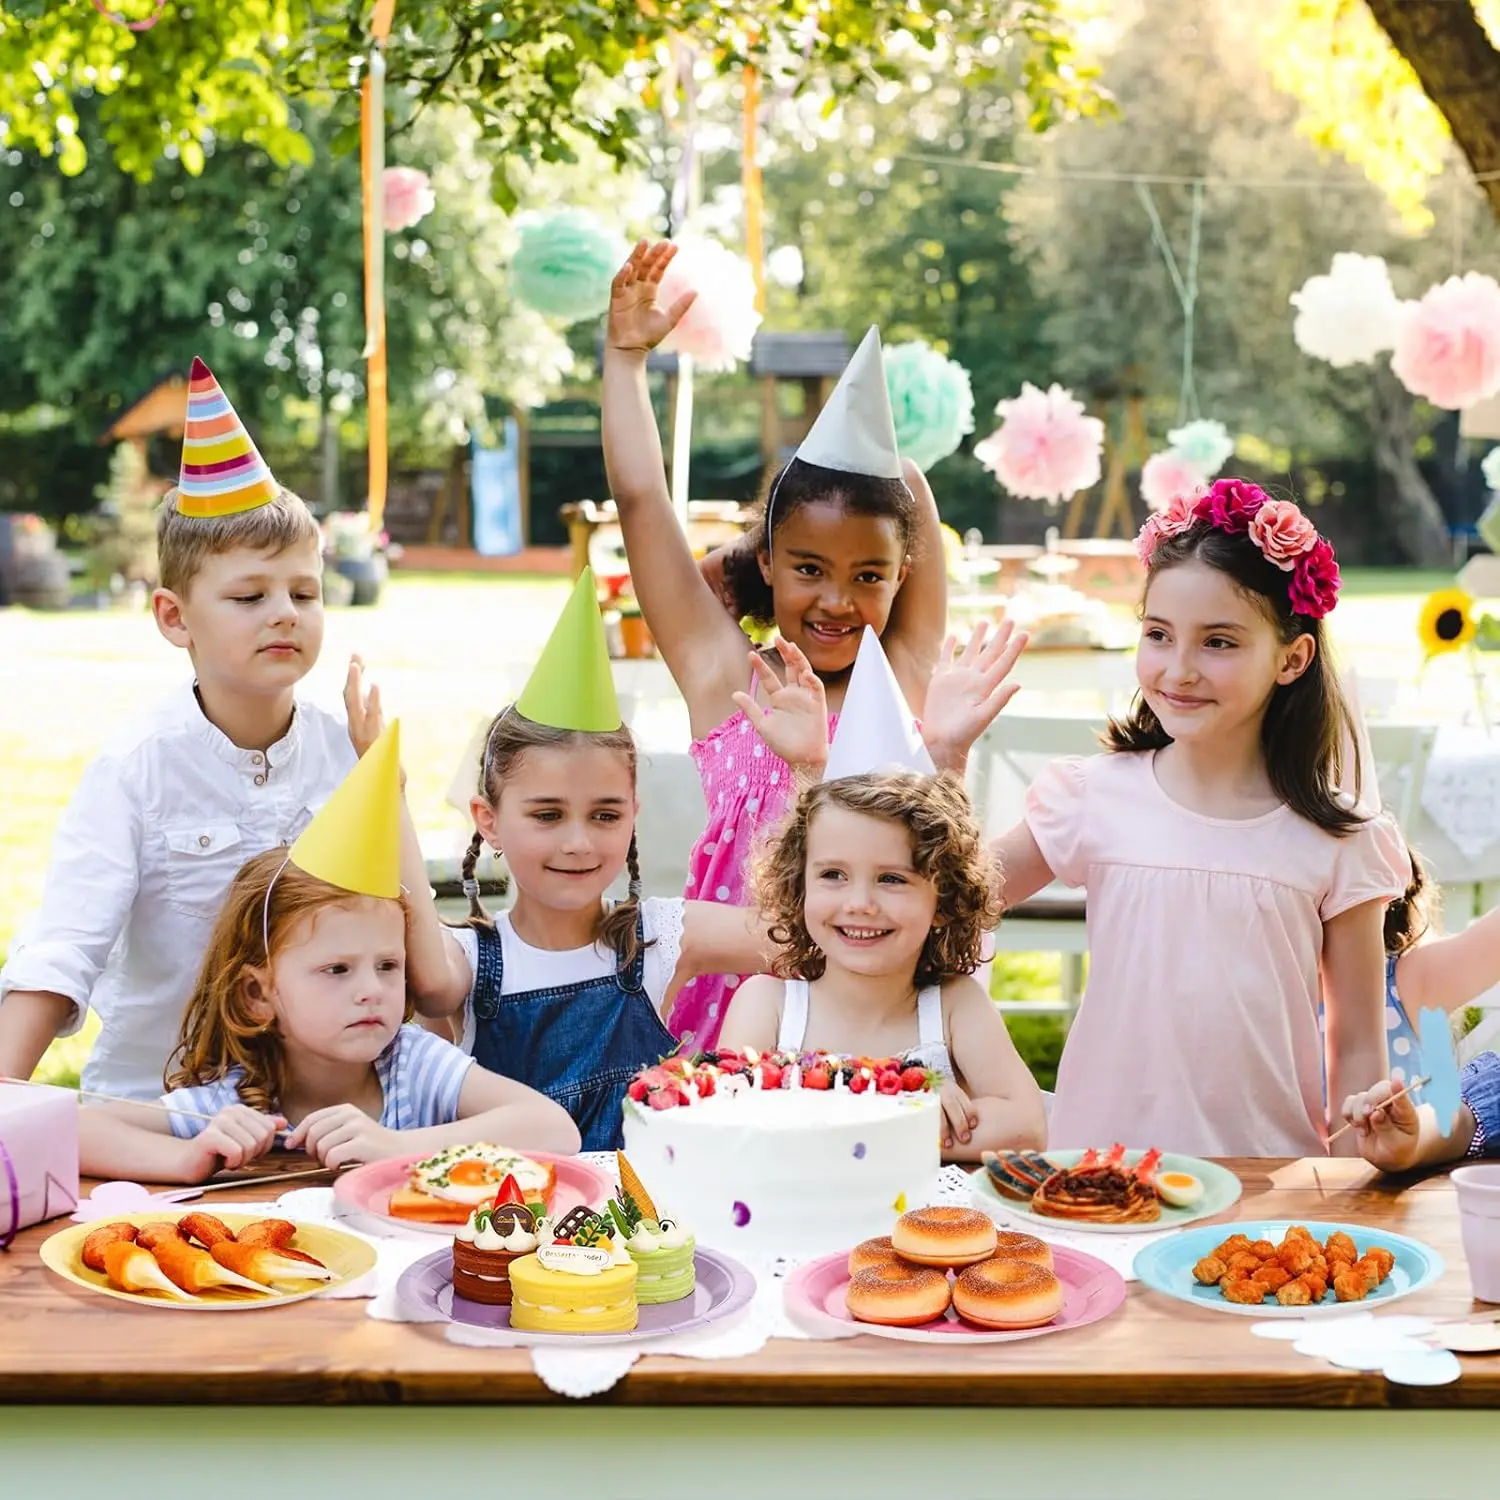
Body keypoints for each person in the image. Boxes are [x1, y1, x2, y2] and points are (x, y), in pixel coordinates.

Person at [927, 481, 1409, 1157]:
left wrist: (1359, 1180)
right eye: (1158, 634)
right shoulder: (1093, 797)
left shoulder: (1341, 839)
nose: (1178, 670)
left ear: (1292, 659)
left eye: (1218, 642)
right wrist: (948, 757)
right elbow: (947, 902)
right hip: (1099, 1173)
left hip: (1266, 1185)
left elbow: (1358, 1044)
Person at [601, 240, 948, 1048]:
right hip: (734, 1022)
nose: (837, 600)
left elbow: (915, 511)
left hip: (875, 1020)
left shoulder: (900, 680)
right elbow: (641, 500)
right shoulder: (727, 675)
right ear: (767, 561)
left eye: (870, 575)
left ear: (902, 579)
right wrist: (623, 361)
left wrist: (870, 459)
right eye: (807, 568)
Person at [0, 359, 356, 1099]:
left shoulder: (342, 752)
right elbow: (65, 945)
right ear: (173, 617)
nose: (284, 611)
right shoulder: (138, 768)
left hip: (312, 1107)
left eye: (304, 591)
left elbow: (393, 941)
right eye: (249, 595)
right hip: (156, 1104)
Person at [78, 725, 578, 1183]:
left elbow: (553, 1129)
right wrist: (188, 1157)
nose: (371, 990)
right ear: (258, 994)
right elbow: (75, 1131)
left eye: (388, 965)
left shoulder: (413, 1067)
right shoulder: (231, 1100)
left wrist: (398, 1148)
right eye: (336, 970)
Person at [402, 572, 776, 1151]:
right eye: (548, 815)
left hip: (639, 1225)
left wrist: (807, 768)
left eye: (604, 815)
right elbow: (426, 983)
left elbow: (815, 937)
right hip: (510, 1227)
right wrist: (393, 801)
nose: (578, 841)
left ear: (633, 813)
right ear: (489, 819)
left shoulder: (662, 938)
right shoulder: (466, 962)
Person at [718, 625, 1044, 1159]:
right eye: (832, 875)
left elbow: (1026, 1126)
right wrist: (906, 1108)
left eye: (892, 878)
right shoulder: (769, 1004)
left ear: (944, 898)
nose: (860, 903)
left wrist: (824, 1119)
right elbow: (732, 1118)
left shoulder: (954, 1007)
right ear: (798, 886)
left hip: (925, 1236)